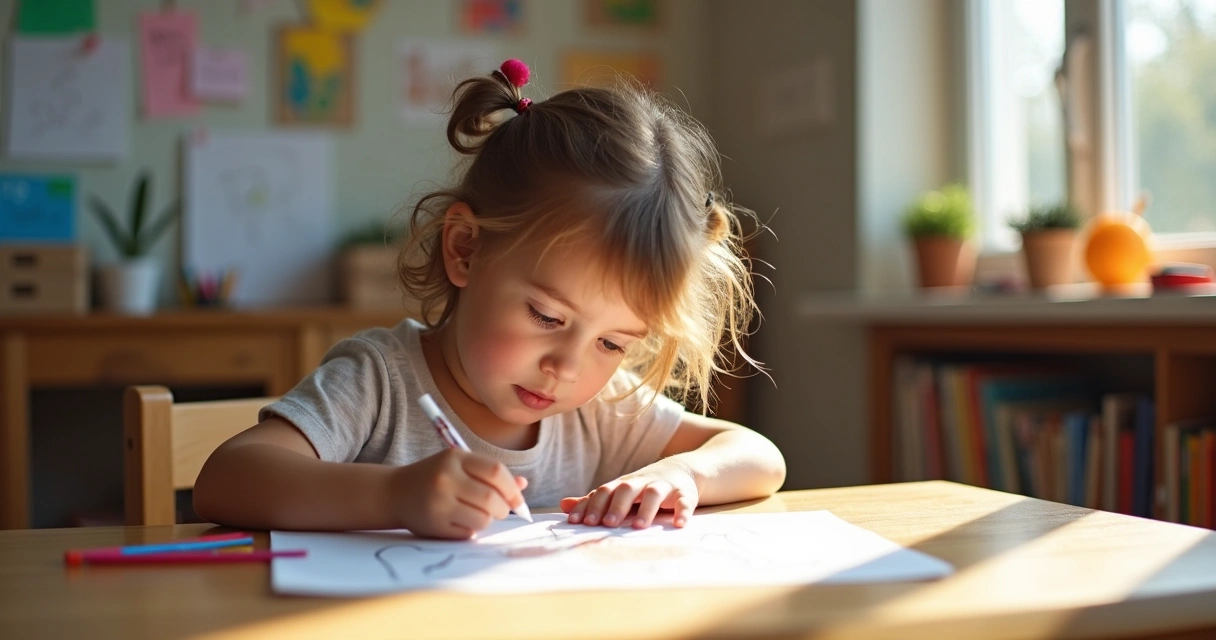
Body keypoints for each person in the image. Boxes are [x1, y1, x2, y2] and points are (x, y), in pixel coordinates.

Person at [193, 59, 786, 539]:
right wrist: (394, 496)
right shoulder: (379, 380)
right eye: (546, 316)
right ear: (466, 250)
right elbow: (226, 479)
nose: (569, 367)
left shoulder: (599, 409)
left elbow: (757, 456)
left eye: (612, 342)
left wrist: (680, 473)